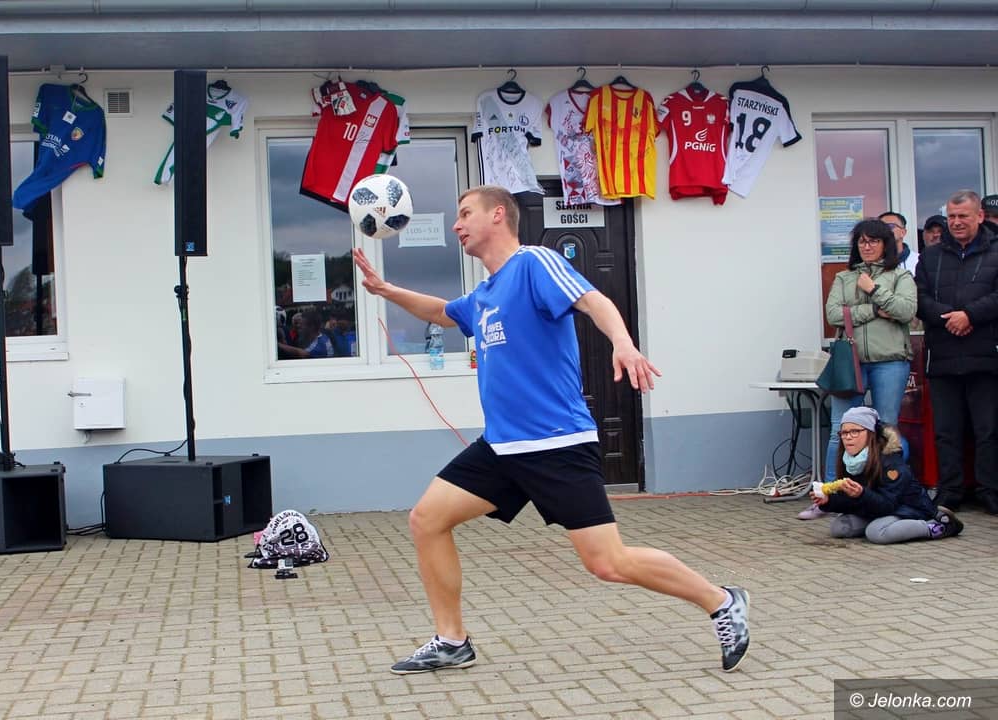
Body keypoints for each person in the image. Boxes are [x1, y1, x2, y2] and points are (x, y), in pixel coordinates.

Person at [352, 185, 751, 675]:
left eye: (465, 213)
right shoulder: (484, 294)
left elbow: (593, 299)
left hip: (556, 443)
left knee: (607, 563)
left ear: (498, 215)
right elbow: (441, 312)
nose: (456, 225)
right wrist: (386, 290)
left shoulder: (534, 263)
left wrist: (623, 343)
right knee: (426, 520)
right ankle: (452, 640)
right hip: (502, 446)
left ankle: (721, 601)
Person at [801, 219, 917, 520]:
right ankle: (827, 497)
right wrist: (875, 310)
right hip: (849, 362)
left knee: (886, 428)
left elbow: (906, 311)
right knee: (840, 429)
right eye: (862, 241)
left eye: (873, 241)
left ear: (885, 244)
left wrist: (874, 290)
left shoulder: (900, 276)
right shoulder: (844, 277)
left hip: (890, 360)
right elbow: (833, 314)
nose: (867, 246)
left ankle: (888, 492)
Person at [914, 190, 998, 514]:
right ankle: (950, 491)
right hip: (944, 355)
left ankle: (989, 490)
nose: (956, 222)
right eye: (951, 216)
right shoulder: (931, 256)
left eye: (963, 216)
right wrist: (949, 317)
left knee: (988, 430)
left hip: (986, 355)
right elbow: (919, 298)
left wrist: (970, 316)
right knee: (946, 431)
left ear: (980, 216)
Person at [811, 407, 962, 543]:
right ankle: (885, 525)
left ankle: (937, 527)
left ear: (871, 433)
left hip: (907, 509)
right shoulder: (848, 460)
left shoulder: (891, 463)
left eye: (855, 431)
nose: (848, 437)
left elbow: (888, 505)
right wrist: (828, 501)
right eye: (844, 433)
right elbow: (851, 503)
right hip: (874, 508)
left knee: (876, 533)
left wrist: (861, 494)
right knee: (840, 527)